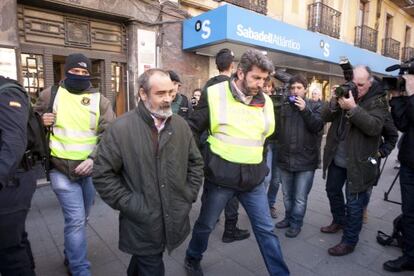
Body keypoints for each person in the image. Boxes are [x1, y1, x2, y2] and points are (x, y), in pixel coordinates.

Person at [184, 49, 289, 276]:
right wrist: (199, 163)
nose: (261, 83)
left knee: (266, 230)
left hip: (253, 180)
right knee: (205, 225)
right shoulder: (214, 94)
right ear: (240, 73)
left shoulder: (267, 103)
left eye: (264, 79)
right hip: (220, 178)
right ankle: (192, 258)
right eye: (256, 77)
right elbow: (192, 130)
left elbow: (265, 136)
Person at [92, 69, 204, 276]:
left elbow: (196, 163)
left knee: (147, 257)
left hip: (173, 214)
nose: (168, 99)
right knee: (151, 263)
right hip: (141, 220)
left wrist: (188, 194)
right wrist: (132, 204)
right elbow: (102, 175)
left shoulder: (180, 125)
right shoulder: (120, 128)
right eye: (160, 94)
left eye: (171, 93)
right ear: (143, 94)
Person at [34, 53, 115, 275]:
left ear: (89, 74)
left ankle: (71, 253)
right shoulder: (50, 94)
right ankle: (79, 268)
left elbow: (109, 135)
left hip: (88, 170)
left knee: (80, 219)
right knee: (77, 220)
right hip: (60, 169)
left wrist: (92, 159)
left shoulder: (101, 100)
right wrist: (41, 121)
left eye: (84, 72)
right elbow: (31, 124)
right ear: (65, 71)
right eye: (74, 71)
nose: (79, 75)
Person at [320, 65, 387, 256]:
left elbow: (374, 127)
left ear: (370, 82)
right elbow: (324, 116)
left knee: (354, 202)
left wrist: (353, 108)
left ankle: (349, 241)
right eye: (354, 84)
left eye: (361, 85)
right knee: (332, 190)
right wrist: (334, 100)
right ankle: (339, 220)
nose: (357, 88)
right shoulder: (346, 93)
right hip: (337, 157)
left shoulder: (379, 101)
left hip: (358, 162)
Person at [200, 48, 250, 243]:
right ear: (232, 66)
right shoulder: (233, 88)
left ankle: (208, 220)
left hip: (210, 146)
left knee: (210, 186)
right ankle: (230, 230)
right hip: (231, 150)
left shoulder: (208, 86)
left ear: (216, 64)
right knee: (231, 193)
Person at [274, 75, 324, 238]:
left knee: (300, 198)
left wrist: (305, 110)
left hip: (306, 160)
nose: (295, 91)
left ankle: (296, 223)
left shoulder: (315, 106)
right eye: (293, 88)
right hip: (285, 158)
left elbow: (317, 127)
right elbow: (277, 131)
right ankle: (288, 218)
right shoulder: (285, 106)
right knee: (287, 195)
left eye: (299, 88)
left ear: (305, 89)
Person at [0, 76, 36, 275]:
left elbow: (13, 144)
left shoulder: (7, 92)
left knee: (9, 250)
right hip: (10, 179)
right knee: (13, 241)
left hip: (12, 181)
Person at [383, 74, 414, 272]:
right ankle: (410, 256)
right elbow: (403, 124)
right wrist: (395, 97)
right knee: (409, 213)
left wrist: (411, 93)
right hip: (409, 163)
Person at [362, 110, 398, 224]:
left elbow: (392, 136)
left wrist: (381, 152)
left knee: (368, 185)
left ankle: (363, 209)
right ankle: (353, 209)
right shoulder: (354, 103)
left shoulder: (381, 109)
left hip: (371, 156)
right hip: (352, 155)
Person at [263, 76, 282, 219]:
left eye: (270, 86)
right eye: (265, 86)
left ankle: (270, 204)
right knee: (267, 177)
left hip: (280, 144)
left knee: (276, 179)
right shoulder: (259, 101)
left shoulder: (280, 100)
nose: (267, 89)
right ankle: (261, 204)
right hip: (267, 143)